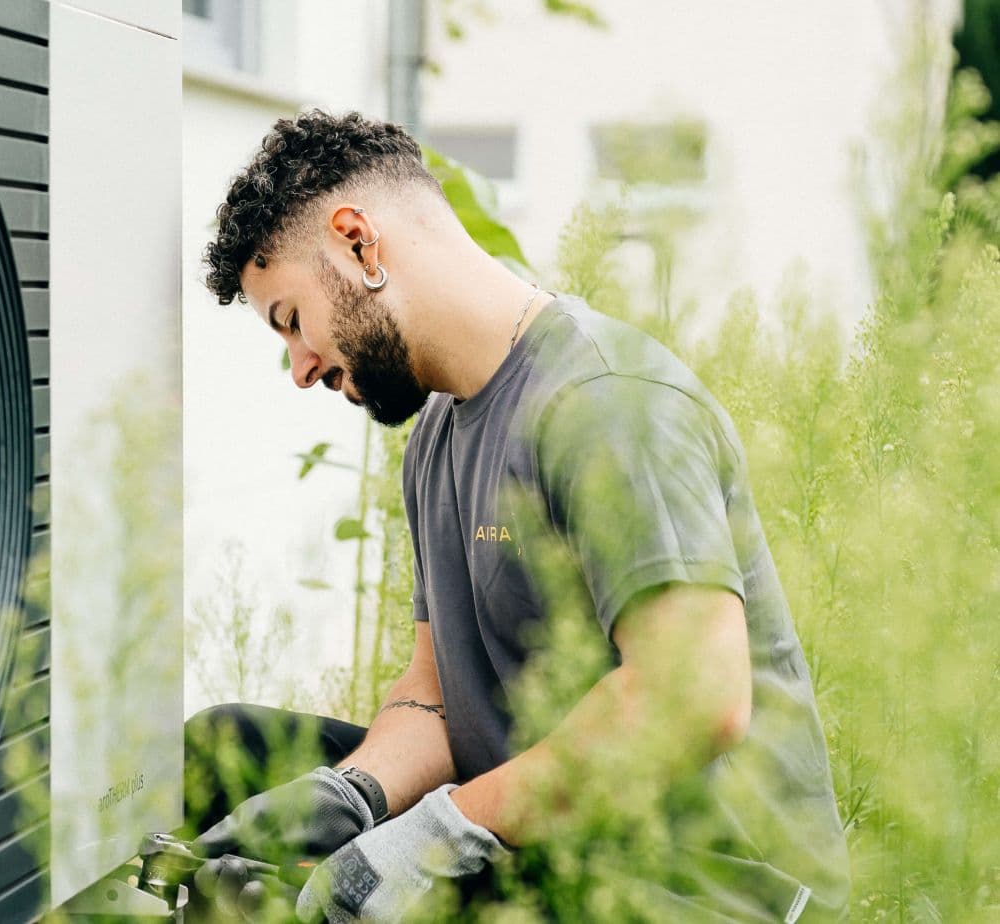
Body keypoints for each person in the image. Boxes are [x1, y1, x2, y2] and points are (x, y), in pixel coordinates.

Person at [184, 109, 850, 923]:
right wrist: (353, 798)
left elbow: (693, 698)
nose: (299, 368)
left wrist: (435, 837)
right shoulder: (434, 438)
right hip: (544, 830)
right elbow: (435, 692)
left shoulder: (605, 400)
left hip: (689, 884)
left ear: (360, 243)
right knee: (224, 749)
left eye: (292, 321)